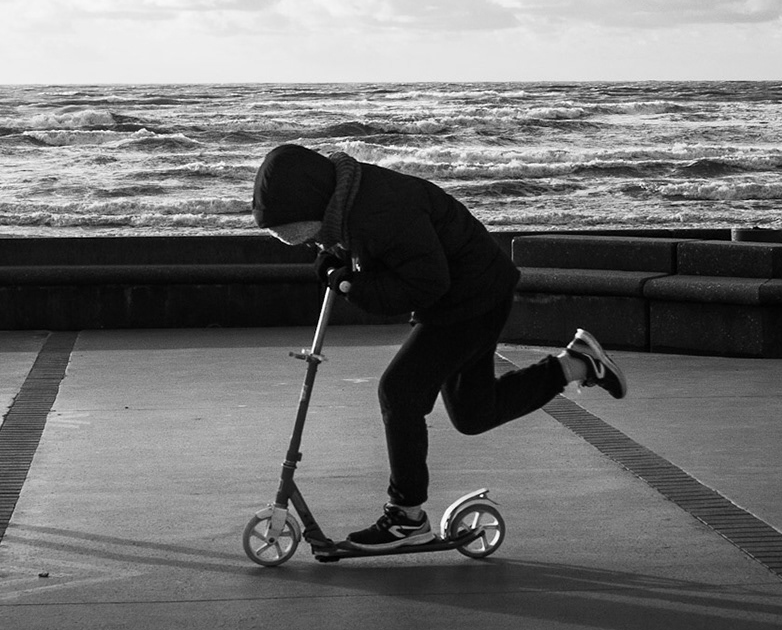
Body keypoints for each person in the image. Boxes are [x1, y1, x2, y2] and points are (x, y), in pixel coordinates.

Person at [251, 143, 626, 548]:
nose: (298, 240)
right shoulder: (349, 198)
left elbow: (423, 282)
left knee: (400, 391)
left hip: (469, 299)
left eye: (298, 232)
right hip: (470, 292)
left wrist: (350, 284)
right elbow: (361, 250)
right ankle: (577, 364)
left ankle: (406, 516)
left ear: (314, 204)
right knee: (473, 413)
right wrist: (334, 260)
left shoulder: (381, 211)